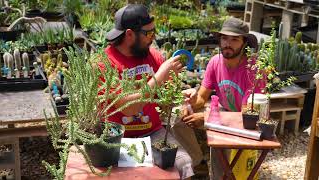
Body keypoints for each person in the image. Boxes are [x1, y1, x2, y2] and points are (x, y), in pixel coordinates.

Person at [103, 4, 195, 179]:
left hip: (153, 133)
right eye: (149, 33)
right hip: (116, 139)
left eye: (155, 31)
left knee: (184, 164)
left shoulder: (153, 56)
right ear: (129, 34)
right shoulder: (105, 63)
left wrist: (181, 96)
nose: (153, 38)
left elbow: (165, 95)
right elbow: (129, 109)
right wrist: (159, 77)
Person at [173, 17, 264, 179]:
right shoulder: (215, 62)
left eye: (234, 39)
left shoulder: (253, 69)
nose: (227, 44)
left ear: (244, 43)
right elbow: (202, 97)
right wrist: (193, 100)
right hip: (223, 112)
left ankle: (219, 176)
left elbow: (246, 115)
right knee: (177, 116)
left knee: (218, 143)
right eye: (224, 38)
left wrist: (207, 118)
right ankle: (198, 163)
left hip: (246, 121)